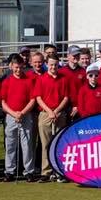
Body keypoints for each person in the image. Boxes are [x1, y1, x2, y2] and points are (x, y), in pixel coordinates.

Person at [0, 53, 37, 182]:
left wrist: (22, 113)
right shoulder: (7, 81)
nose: (18, 70)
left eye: (20, 67)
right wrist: (14, 113)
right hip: (11, 116)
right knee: (10, 144)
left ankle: (29, 171)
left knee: (27, 144)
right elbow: (3, 102)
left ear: (23, 66)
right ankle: (9, 171)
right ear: (11, 66)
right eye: (16, 67)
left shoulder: (28, 80)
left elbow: (32, 100)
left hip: (25, 115)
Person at [34, 54, 70, 182]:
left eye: (55, 65)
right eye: (51, 65)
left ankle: (59, 171)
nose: (53, 67)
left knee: (59, 144)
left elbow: (66, 97)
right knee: (45, 145)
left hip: (59, 114)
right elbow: (38, 98)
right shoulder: (41, 79)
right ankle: (46, 172)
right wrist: (50, 111)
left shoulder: (63, 79)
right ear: (47, 64)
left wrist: (56, 111)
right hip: (45, 114)